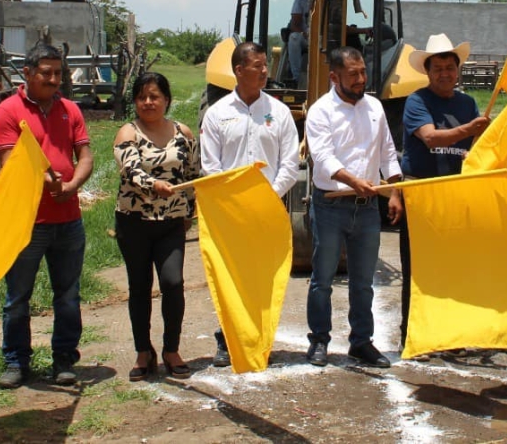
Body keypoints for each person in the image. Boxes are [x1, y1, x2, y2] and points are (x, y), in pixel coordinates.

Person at [0, 42, 93, 389]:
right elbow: (11, 165)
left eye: (58, 73)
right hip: (27, 222)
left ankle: (64, 360)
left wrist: (72, 185)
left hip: (68, 220)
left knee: (68, 294)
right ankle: (16, 362)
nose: (52, 79)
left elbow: (85, 156)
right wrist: (49, 182)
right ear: (28, 73)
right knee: (18, 297)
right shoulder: (7, 112)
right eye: (45, 73)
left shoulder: (70, 110)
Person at [200, 41, 300, 367]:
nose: (264, 71)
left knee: (263, 275)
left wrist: (270, 195)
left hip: (268, 208)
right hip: (230, 212)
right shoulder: (217, 114)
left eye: (264, 66)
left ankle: (260, 339)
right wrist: (232, 200)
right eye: (257, 66)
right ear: (239, 70)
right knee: (231, 275)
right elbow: (210, 166)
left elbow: (289, 162)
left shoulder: (279, 111)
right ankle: (227, 339)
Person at [305, 46, 403, 369]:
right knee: (323, 279)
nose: (361, 79)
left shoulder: (374, 106)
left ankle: (361, 342)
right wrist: (354, 181)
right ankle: (319, 340)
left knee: (363, 281)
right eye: (353, 75)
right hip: (331, 205)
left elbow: (388, 153)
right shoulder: (320, 111)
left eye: (363, 72)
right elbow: (323, 157)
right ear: (334, 77)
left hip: (367, 209)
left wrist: (394, 192)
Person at [398, 34, 490, 346]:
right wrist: (470, 129)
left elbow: (477, 146)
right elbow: (431, 138)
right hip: (422, 193)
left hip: (456, 194)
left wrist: (474, 150)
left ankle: (449, 332)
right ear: (427, 71)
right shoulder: (416, 101)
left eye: (449, 68)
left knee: (453, 266)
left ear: (458, 70)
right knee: (419, 268)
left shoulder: (468, 103)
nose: (444, 74)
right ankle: (412, 333)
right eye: (437, 68)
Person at [114, 72, 200, 381]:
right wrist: (155, 185)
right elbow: (130, 172)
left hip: (171, 224)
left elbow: (193, 173)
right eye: (142, 97)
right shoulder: (128, 132)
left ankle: (171, 349)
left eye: (155, 96)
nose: (148, 102)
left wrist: (191, 209)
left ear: (166, 100)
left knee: (173, 283)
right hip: (134, 223)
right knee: (139, 287)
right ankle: (143, 352)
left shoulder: (183, 132)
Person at [287, 0, 312, 85]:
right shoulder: (300, 1)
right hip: (306, 38)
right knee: (294, 37)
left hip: (327, 39)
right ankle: (296, 78)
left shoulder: (333, 3)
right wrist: (306, 34)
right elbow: (294, 25)